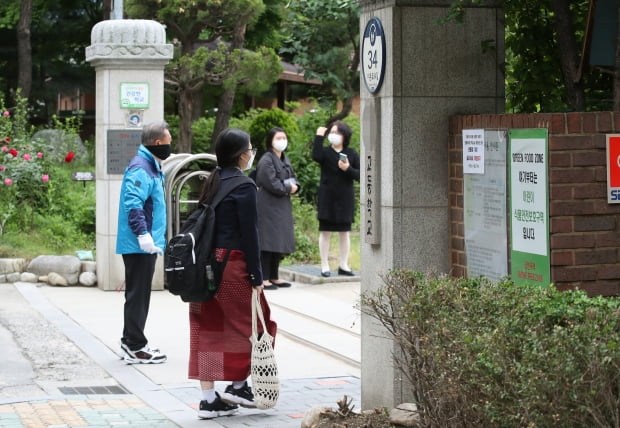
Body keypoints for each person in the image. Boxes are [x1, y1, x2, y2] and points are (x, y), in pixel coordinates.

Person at [190, 128, 277, 419]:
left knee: (209, 331)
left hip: (205, 268)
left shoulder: (212, 181)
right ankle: (238, 386)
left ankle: (208, 400)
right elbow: (250, 235)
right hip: (232, 266)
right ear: (242, 154)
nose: (252, 154)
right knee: (257, 327)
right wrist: (257, 276)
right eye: (250, 149)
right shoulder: (243, 186)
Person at [116, 121, 171, 364]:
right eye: (169, 141)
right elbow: (133, 203)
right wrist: (142, 234)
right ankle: (134, 345)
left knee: (139, 294)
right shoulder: (141, 168)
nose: (170, 146)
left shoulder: (150, 165)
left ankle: (132, 340)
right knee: (138, 295)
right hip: (140, 244)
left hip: (146, 243)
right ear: (158, 143)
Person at [312, 121, 360, 277]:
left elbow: (360, 175)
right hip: (327, 197)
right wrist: (319, 136)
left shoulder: (351, 153)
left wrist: (347, 169)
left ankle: (343, 265)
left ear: (344, 136)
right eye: (331, 132)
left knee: (344, 233)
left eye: (337, 132)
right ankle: (324, 265)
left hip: (345, 198)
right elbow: (316, 156)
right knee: (325, 231)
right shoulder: (325, 152)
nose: (333, 135)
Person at [256, 127, 299, 290]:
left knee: (278, 242)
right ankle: (264, 278)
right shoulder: (266, 159)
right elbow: (271, 183)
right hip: (268, 205)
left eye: (284, 137)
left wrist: (296, 187)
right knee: (267, 242)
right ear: (271, 141)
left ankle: (274, 276)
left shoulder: (284, 158)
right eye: (278, 138)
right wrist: (289, 188)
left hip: (281, 205)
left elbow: (293, 178)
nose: (282, 140)